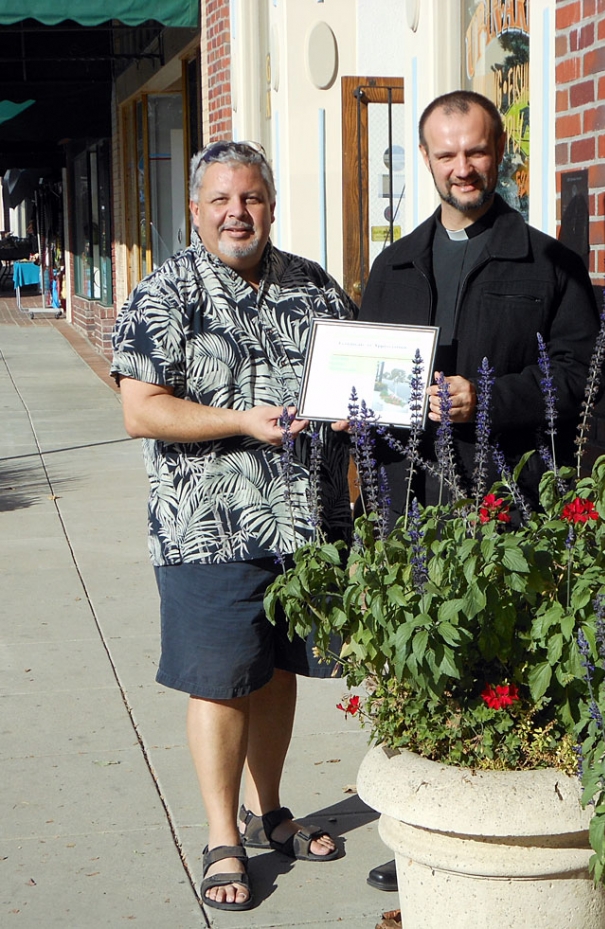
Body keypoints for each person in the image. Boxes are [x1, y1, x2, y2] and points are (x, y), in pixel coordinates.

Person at [353, 90, 601, 891]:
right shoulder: (391, 268)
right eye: (446, 153)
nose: (463, 167)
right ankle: (421, 834)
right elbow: (367, 382)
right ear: (425, 160)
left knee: (499, 665)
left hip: (506, 502)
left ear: (502, 153)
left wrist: (490, 395)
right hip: (410, 506)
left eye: (477, 150)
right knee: (418, 664)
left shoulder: (550, 265)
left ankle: (487, 829)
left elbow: (585, 378)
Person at [111, 140, 357, 911]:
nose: (235, 213)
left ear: (271, 204)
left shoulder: (315, 287)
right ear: (196, 210)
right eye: (219, 200)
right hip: (206, 525)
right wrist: (238, 422)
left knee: (279, 669)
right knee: (220, 681)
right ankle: (222, 833)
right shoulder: (165, 292)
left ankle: (268, 811)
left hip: (306, 524)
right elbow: (139, 407)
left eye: (249, 197)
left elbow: (357, 377)